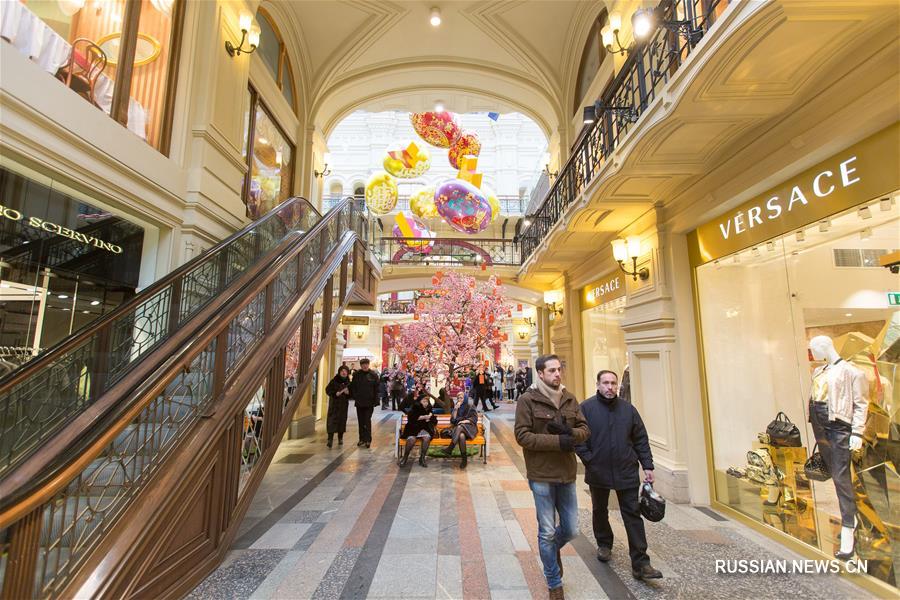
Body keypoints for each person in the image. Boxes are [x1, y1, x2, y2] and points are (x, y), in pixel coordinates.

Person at [515, 354, 590, 599]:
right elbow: (523, 436)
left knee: (571, 530)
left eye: (559, 369)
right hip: (541, 474)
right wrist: (559, 441)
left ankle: (550, 550)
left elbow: (585, 429)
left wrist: (571, 433)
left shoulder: (569, 398)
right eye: (552, 370)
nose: (558, 374)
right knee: (546, 531)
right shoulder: (528, 400)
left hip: (566, 473)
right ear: (540, 373)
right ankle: (554, 581)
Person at [575, 370, 661, 581]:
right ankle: (604, 543)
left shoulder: (628, 410)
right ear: (598, 384)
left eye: (613, 383)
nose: (610, 387)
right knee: (600, 509)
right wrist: (590, 459)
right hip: (599, 470)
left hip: (626, 469)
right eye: (605, 383)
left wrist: (647, 466)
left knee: (632, 514)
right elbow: (578, 439)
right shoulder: (586, 408)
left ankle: (641, 562)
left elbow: (640, 438)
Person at [440, 392, 479, 469]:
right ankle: (464, 460)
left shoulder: (470, 406)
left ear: (465, 398)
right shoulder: (457, 407)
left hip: (469, 428)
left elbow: (475, 419)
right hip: (459, 430)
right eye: (458, 398)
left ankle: (450, 448)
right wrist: (455, 409)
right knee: (461, 436)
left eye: (461, 398)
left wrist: (464, 421)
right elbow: (453, 421)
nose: (459, 400)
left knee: (460, 427)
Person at [398, 392, 437, 467]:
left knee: (427, 438)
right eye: (424, 401)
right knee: (411, 439)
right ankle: (405, 458)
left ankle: (422, 458)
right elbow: (411, 419)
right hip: (413, 428)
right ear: (419, 401)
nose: (426, 403)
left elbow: (435, 421)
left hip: (424, 429)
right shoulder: (414, 408)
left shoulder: (429, 409)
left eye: (427, 401)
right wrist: (423, 417)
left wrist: (430, 419)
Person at [349, 358, 379, 448]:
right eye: (363, 364)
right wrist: (355, 396)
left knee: (367, 421)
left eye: (366, 364)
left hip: (369, 403)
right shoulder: (356, 374)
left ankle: (368, 440)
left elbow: (376, 389)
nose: (365, 366)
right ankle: (361, 439)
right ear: (361, 365)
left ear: (368, 365)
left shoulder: (373, 375)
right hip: (359, 402)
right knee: (361, 421)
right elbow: (353, 387)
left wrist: (375, 401)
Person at [325, 366, 351, 447]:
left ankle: (340, 438)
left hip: (343, 405)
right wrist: (334, 393)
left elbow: (352, 393)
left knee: (342, 421)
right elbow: (327, 390)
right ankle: (330, 439)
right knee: (331, 421)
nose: (344, 373)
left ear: (347, 373)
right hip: (334, 405)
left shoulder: (348, 382)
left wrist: (348, 393)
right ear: (339, 372)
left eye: (345, 371)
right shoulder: (334, 380)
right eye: (342, 371)